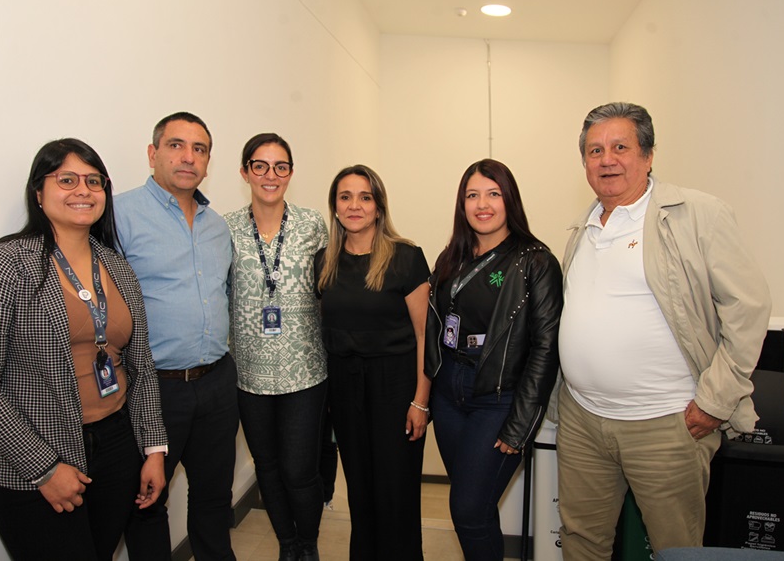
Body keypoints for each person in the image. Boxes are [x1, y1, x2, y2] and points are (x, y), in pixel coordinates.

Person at [556, 102, 772, 560]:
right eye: (595, 150)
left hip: (667, 424)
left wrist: (714, 402)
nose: (607, 159)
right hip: (584, 422)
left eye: (620, 147)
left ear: (648, 155)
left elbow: (748, 309)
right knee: (581, 542)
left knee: (675, 550)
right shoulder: (584, 227)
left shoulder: (697, 215)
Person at [0, 139, 168, 560]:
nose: (83, 191)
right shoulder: (5, 264)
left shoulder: (115, 265)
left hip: (116, 447)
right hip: (36, 461)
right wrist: (44, 468)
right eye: (66, 180)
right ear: (39, 192)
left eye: (93, 181)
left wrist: (153, 450)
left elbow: (140, 366)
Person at [426, 159, 563, 560]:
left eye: (493, 193)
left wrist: (521, 422)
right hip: (450, 393)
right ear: (461, 204)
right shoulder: (451, 256)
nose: (482, 204)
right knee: (476, 507)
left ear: (509, 200)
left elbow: (545, 347)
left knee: (466, 509)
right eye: (472, 195)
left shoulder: (535, 262)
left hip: (498, 399)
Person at [116, 112, 238, 561]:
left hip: (217, 382)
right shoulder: (119, 216)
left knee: (213, 497)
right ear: (153, 153)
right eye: (175, 145)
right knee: (147, 503)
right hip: (154, 389)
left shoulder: (217, 227)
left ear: (208, 161)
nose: (188, 157)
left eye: (199, 149)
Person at [315, 165, 431, 559]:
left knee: (395, 492)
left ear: (379, 207)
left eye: (365, 197)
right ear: (335, 206)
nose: (355, 205)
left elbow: (424, 335)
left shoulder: (406, 258)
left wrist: (421, 401)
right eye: (345, 197)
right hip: (345, 389)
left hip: (396, 386)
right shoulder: (324, 262)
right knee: (360, 490)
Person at [224, 133, 328, 561]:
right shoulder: (223, 228)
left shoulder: (313, 224)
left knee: (300, 470)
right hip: (248, 373)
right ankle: (287, 544)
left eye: (281, 166)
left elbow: (333, 289)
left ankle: (308, 544)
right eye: (261, 166)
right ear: (245, 171)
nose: (271, 175)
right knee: (266, 468)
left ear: (291, 172)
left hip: (305, 370)